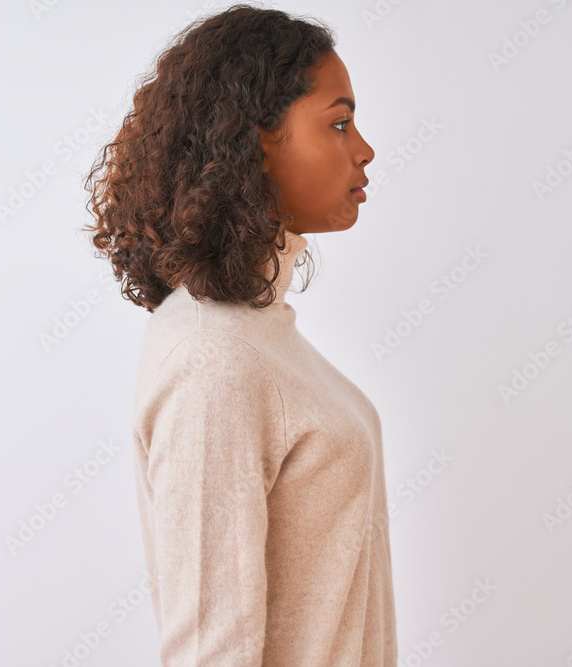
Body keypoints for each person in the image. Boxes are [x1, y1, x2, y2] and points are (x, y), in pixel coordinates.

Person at [83, 4, 397, 665]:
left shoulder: (256, 332)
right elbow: (210, 649)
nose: (364, 149)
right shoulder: (211, 356)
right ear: (253, 141)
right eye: (338, 123)